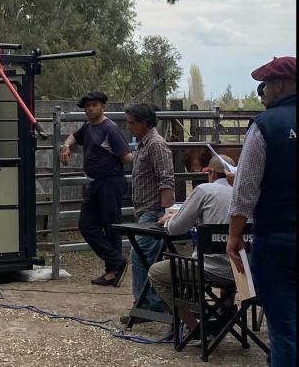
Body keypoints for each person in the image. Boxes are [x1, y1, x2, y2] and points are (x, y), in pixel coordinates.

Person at [228, 56, 296, 367]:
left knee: (284, 330)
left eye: (265, 85)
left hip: (278, 240)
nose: (263, 92)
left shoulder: (265, 127)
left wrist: (234, 235)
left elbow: (245, 189)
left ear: (280, 84)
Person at [148, 155, 237, 336]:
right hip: (242, 272)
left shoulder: (204, 191)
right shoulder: (245, 193)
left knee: (156, 273)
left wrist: (168, 220)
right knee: (227, 261)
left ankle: (194, 326)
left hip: (207, 269)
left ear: (211, 173)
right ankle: (224, 314)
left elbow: (175, 228)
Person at [60, 92, 133, 286]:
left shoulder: (110, 129)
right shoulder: (89, 127)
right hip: (96, 182)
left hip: (111, 181)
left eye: (94, 105)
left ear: (103, 107)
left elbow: (126, 156)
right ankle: (116, 262)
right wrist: (66, 146)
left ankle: (113, 271)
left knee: (111, 226)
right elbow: (74, 136)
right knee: (86, 224)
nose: (90, 108)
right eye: (87, 106)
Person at [123, 103, 174, 323]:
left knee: (140, 254)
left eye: (132, 122)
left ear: (145, 123)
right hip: (144, 209)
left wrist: (165, 211)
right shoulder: (144, 144)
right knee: (145, 256)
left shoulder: (156, 145)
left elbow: (166, 178)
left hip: (152, 211)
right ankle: (149, 303)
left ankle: (150, 305)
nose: (129, 126)